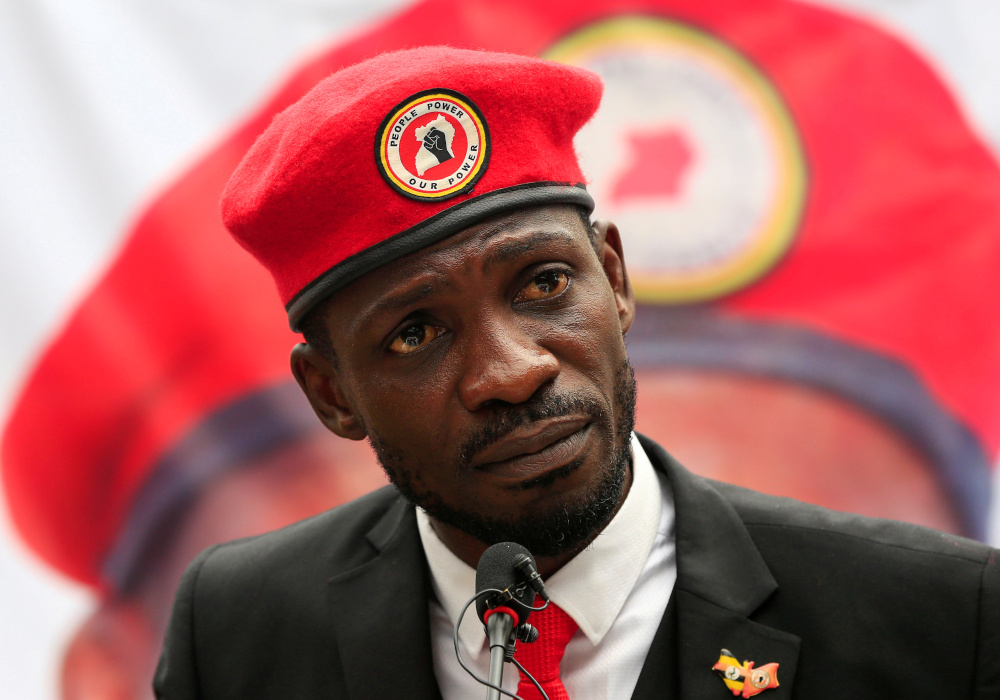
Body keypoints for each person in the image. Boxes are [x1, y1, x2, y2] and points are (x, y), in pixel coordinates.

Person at [150, 46, 995, 699]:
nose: (512, 373)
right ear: (332, 394)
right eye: (414, 334)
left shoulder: (939, 620)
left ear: (615, 279)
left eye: (544, 285)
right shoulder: (235, 630)